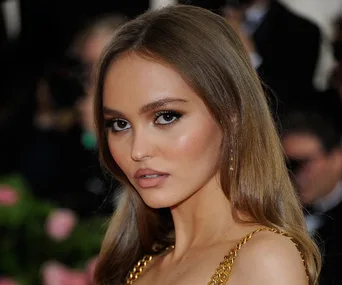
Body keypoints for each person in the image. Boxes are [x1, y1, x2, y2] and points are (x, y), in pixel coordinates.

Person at [93, 5, 320, 285]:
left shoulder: (264, 260)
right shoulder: (139, 266)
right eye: (120, 124)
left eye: (166, 117)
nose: (137, 151)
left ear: (231, 118)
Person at [282, 111, 342, 285]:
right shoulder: (272, 212)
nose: (295, 174)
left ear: (337, 160)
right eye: (288, 164)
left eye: (304, 162)